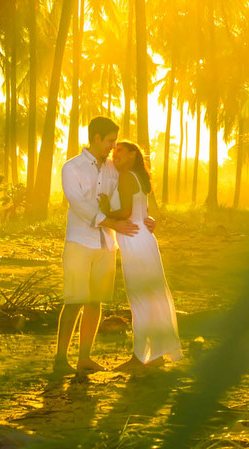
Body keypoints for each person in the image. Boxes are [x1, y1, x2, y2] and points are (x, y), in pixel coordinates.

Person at [52, 117, 155, 375]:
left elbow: (127, 198)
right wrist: (108, 220)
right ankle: (61, 358)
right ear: (96, 138)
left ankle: (84, 357)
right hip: (79, 242)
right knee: (74, 300)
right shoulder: (71, 168)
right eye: (110, 140)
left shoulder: (113, 169)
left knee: (95, 302)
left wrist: (143, 217)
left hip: (107, 244)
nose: (112, 146)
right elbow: (78, 203)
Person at [98, 141, 182, 371]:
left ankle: (139, 358)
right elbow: (142, 213)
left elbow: (126, 213)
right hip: (142, 239)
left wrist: (105, 210)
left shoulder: (127, 176)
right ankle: (154, 356)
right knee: (150, 297)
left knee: (139, 298)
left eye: (121, 152)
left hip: (135, 239)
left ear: (134, 154)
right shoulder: (137, 177)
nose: (116, 156)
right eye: (115, 153)